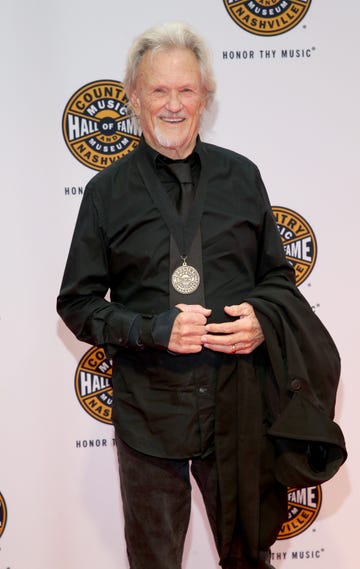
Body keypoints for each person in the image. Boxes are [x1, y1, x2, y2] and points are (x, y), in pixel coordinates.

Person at [57, 21, 346, 569]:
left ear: (205, 97)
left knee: (248, 559)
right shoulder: (104, 193)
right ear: (134, 98)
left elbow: (278, 279)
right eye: (159, 90)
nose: (173, 104)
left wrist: (264, 316)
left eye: (186, 89)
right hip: (148, 415)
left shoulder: (243, 177)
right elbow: (76, 303)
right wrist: (152, 329)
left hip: (239, 410)